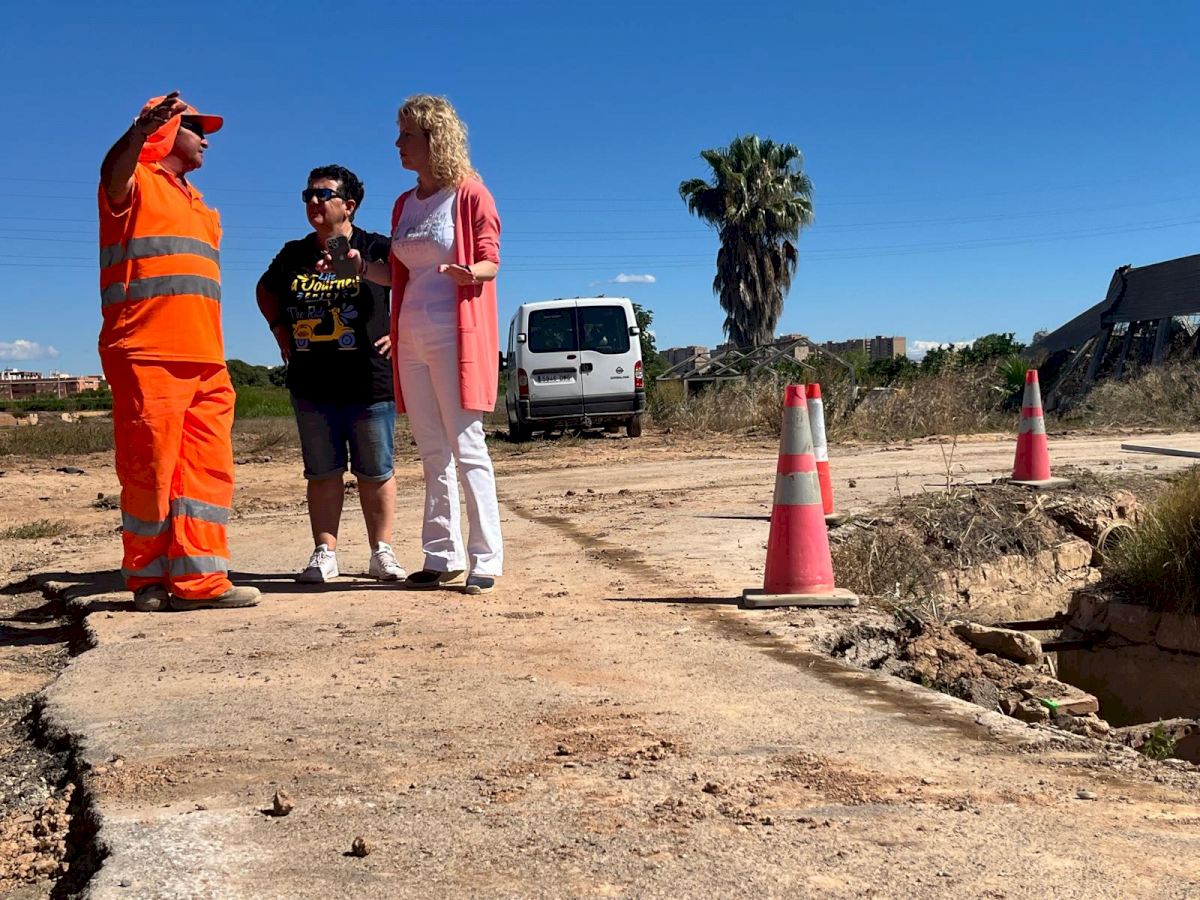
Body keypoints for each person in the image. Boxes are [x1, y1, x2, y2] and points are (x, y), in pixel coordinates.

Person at [98, 92, 260, 612]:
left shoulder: (203, 208)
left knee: (206, 473)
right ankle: (147, 579)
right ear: (165, 132)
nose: (206, 140)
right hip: (147, 352)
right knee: (150, 470)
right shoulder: (134, 182)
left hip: (207, 360)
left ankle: (201, 580)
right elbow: (113, 173)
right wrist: (138, 133)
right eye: (196, 129)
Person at [345, 95, 503, 595]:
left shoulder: (470, 194)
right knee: (432, 450)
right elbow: (396, 275)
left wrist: (470, 272)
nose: (398, 143)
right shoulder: (404, 203)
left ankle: (485, 559)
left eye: (407, 134)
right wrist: (360, 268)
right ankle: (440, 555)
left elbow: (491, 260)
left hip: (456, 335)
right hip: (410, 336)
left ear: (435, 138)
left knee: (467, 446)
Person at [256, 166, 405, 583]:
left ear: (349, 205)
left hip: (370, 380)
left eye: (323, 194)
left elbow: (414, 284)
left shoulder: (375, 247)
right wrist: (279, 329)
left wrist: (402, 332)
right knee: (322, 472)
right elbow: (264, 291)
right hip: (312, 382)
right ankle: (325, 553)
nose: (313, 202)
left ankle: (381, 553)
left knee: (376, 471)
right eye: (308, 195)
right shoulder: (294, 254)